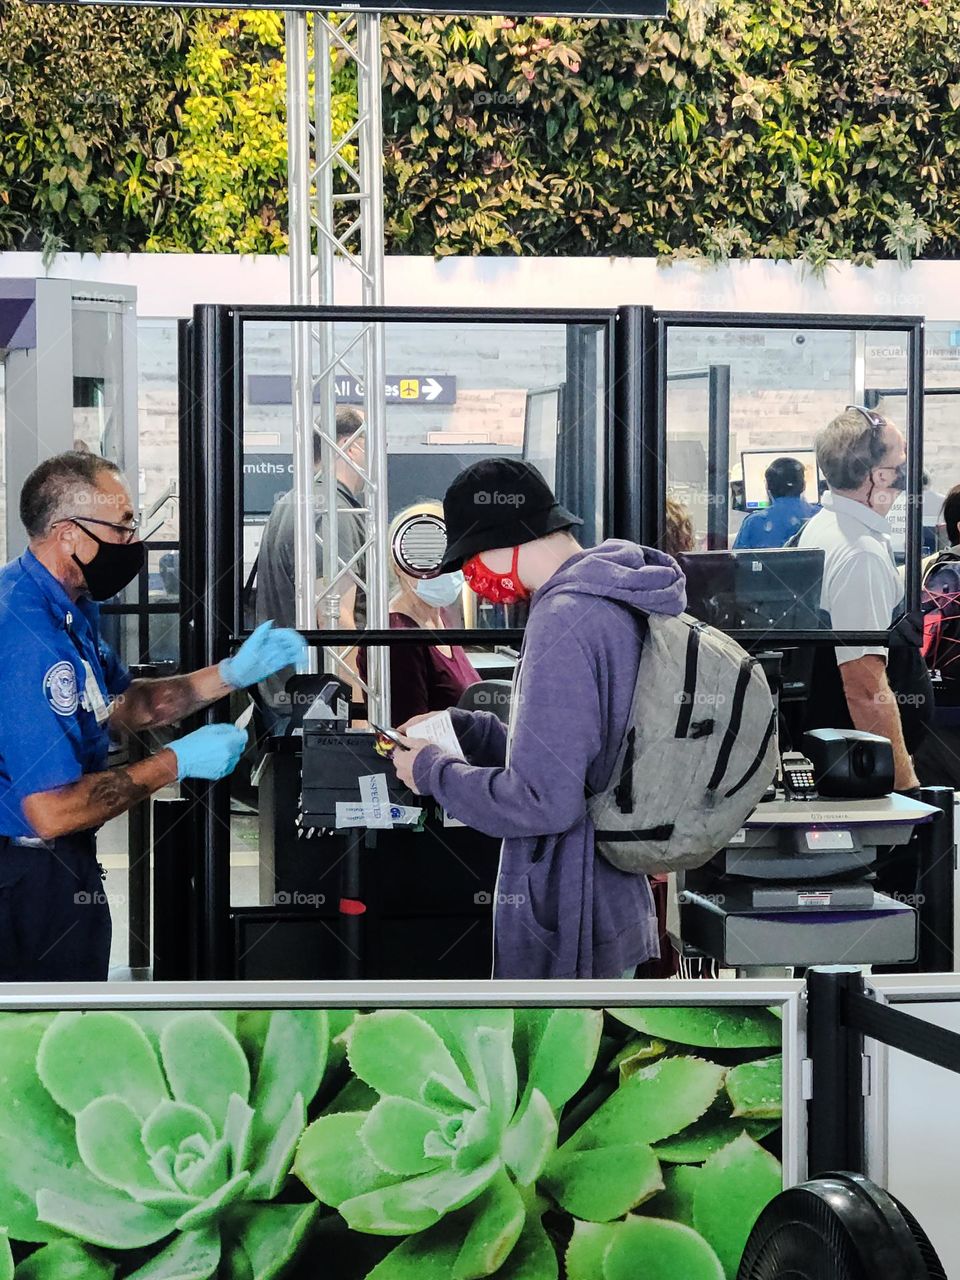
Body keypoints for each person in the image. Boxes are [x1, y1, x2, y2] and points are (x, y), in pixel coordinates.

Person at [0, 452, 306, 981]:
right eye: (122, 525)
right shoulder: (28, 636)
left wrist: (230, 674)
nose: (134, 540)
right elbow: (50, 811)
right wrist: (174, 762)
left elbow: (122, 705)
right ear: (69, 534)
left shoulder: (68, 604)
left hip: (57, 865)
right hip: (25, 879)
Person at [390, 457, 685, 980]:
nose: (473, 579)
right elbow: (573, 758)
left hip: (574, 917)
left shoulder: (563, 618)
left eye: (472, 559)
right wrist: (474, 731)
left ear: (505, 537)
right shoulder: (609, 597)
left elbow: (543, 802)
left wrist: (433, 772)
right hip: (610, 900)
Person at [797, 406, 931, 790]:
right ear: (878, 476)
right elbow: (866, 689)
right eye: (900, 458)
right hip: (862, 766)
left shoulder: (828, 528)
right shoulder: (860, 554)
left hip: (843, 755)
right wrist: (906, 791)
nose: (907, 469)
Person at [255, 407, 366, 728]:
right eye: (375, 445)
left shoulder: (290, 502)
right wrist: (360, 717)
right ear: (350, 444)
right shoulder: (334, 511)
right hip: (320, 708)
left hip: (288, 698)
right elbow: (334, 617)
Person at [357, 502, 479, 725]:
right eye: (424, 556)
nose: (441, 568)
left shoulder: (440, 617)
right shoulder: (398, 637)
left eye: (449, 555)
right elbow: (409, 734)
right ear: (399, 564)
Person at [733, 456, 819, 549]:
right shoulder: (821, 516)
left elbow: (735, 560)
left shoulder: (754, 522)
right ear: (803, 485)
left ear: (768, 487)